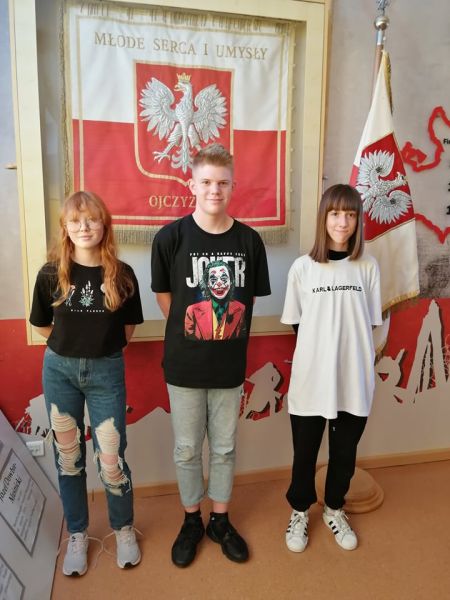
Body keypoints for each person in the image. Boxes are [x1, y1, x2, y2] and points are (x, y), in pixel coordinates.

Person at [151, 143, 271, 567]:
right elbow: (166, 300)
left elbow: (247, 301)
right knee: (186, 449)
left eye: (222, 183)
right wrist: (195, 334)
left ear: (233, 186)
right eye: (206, 182)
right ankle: (191, 521)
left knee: (223, 448)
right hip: (183, 365)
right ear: (192, 185)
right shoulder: (170, 238)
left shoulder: (249, 241)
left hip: (228, 367)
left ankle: (220, 520)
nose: (214, 190)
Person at [29, 191, 144, 576]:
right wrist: (70, 348)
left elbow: (127, 330)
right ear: (65, 227)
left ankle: (123, 528)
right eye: (75, 221)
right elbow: (42, 324)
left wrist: (97, 352)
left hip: (106, 372)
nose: (84, 227)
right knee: (69, 457)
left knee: (111, 458)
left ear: (104, 225)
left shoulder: (122, 274)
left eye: (92, 219)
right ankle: (77, 533)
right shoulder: (50, 274)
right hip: (59, 371)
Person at [281, 184, 382, 553]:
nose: (343, 222)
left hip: (353, 379)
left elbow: (370, 322)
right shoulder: (303, 268)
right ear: (324, 217)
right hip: (311, 380)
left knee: (343, 453)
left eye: (350, 214)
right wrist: (321, 353)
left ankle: (334, 509)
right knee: (305, 453)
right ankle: (299, 511)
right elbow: (297, 323)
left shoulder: (368, 266)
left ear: (358, 221)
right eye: (336, 214)